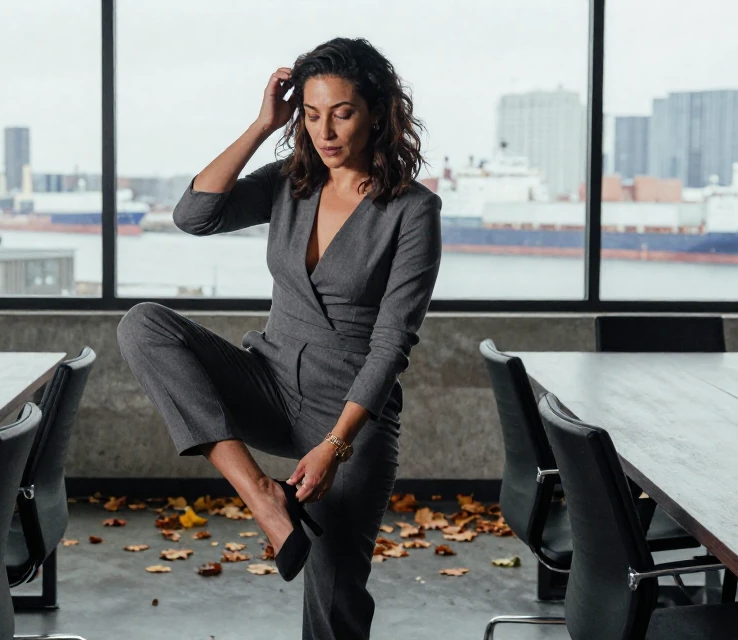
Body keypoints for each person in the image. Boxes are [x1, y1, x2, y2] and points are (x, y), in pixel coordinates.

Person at [117, 36, 441, 640]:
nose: (325, 130)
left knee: (335, 599)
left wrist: (336, 446)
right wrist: (263, 124)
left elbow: (393, 341)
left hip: (348, 413)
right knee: (144, 324)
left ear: (377, 111)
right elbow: (194, 216)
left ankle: (295, 511)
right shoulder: (291, 181)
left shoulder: (413, 211)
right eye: (312, 114)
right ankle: (263, 497)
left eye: (341, 112)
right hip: (265, 382)